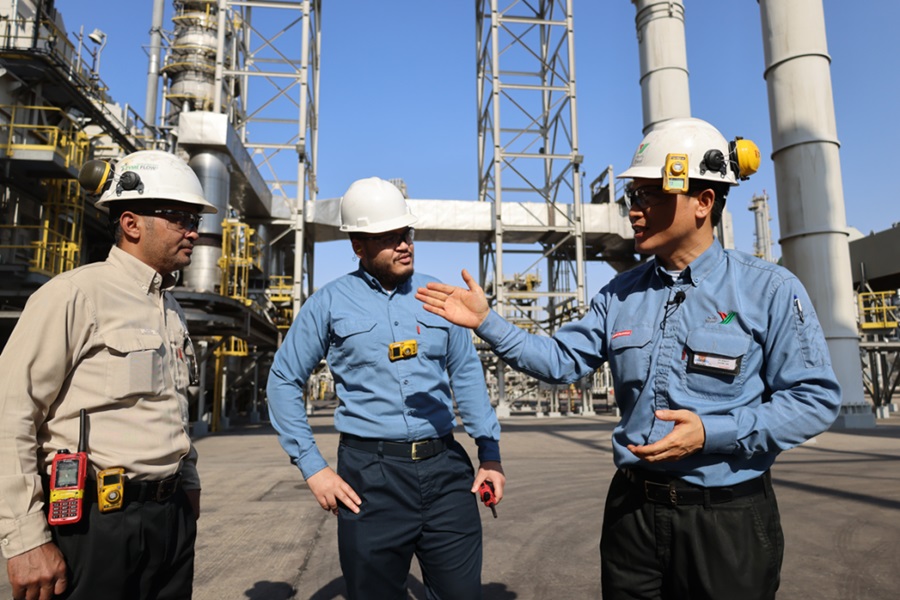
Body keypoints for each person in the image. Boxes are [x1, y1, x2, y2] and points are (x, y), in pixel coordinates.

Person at [416, 117, 842, 600]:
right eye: (631, 197)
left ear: (704, 201)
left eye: (649, 196)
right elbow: (559, 360)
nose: (634, 212)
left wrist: (712, 432)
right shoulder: (620, 294)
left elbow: (815, 400)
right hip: (633, 514)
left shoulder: (768, 289)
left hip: (726, 518)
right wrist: (487, 322)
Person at [266, 177, 505, 599]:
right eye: (389, 237)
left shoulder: (439, 298)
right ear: (358, 246)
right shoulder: (329, 303)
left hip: (446, 471)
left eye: (406, 233)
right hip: (370, 479)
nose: (404, 245)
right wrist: (313, 467)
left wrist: (490, 454)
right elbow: (284, 379)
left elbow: (467, 374)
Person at [0, 150, 217, 600]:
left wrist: (188, 483)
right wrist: (24, 539)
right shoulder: (75, 295)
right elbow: (10, 414)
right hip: (96, 523)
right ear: (132, 224)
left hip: (171, 518)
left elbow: (172, 407)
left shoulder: (170, 309)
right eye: (180, 218)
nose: (194, 231)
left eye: (194, 218)